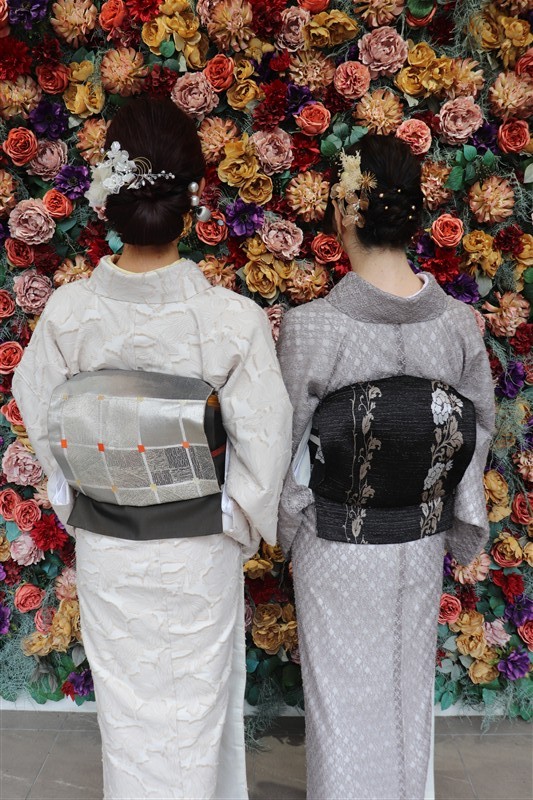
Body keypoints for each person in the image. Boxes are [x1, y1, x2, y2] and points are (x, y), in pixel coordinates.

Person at [13, 97, 292, 800]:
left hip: (110, 545)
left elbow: (41, 409)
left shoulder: (71, 314)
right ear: (191, 198)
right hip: (198, 546)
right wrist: (231, 517)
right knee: (195, 711)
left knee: (131, 722)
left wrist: (80, 496)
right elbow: (265, 440)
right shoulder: (228, 320)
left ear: (110, 198)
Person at [276, 135, 495, 800]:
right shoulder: (457, 324)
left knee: (340, 706)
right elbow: (477, 430)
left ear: (345, 210)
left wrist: (289, 526)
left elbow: (286, 448)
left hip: (335, 542)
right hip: (420, 538)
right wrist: (450, 510)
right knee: (404, 693)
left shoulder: (315, 326)